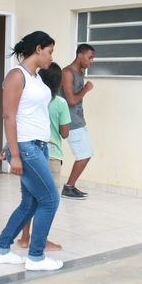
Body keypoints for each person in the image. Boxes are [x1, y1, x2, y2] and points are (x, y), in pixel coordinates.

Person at [0, 31, 63, 271]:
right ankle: (36, 257)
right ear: (39, 49)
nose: (51, 57)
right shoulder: (16, 76)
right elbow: (9, 115)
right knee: (50, 199)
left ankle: (1, 250)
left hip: (38, 146)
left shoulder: (36, 78)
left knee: (30, 203)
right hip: (27, 148)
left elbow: (27, 115)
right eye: (50, 51)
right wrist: (14, 153)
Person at [16, 62, 70, 251]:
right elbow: (65, 133)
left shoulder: (31, 99)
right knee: (48, 201)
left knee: (29, 199)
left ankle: (24, 238)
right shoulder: (60, 103)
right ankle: (42, 241)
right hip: (52, 155)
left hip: (30, 152)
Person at [60, 43, 96, 200]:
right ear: (80, 55)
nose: (91, 61)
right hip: (71, 121)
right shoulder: (67, 73)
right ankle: (68, 187)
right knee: (84, 155)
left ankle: (70, 186)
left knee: (87, 153)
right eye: (90, 57)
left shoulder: (79, 72)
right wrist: (86, 89)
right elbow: (71, 100)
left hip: (79, 120)